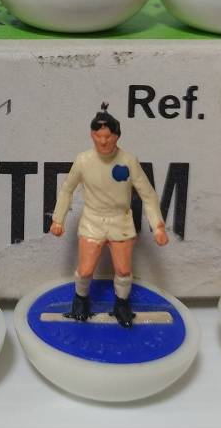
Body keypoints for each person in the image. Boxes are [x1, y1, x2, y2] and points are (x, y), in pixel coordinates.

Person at [50, 104, 168, 327]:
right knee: (85, 270)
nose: (103, 141)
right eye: (98, 136)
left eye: (108, 136)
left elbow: (148, 194)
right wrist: (58, 219)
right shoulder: (83, 160)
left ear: (117, 136)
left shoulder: (128, 161)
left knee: (123, 269)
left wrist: (158, 225)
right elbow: (66, 189)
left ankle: (122, 305)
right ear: (91, 135)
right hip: (92, 221)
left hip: (120, 221)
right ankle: (80, 302)